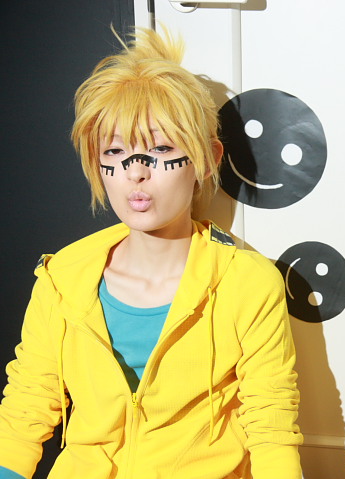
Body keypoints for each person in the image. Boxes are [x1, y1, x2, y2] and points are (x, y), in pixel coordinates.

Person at [0, 27, 302, 478]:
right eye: (115, 150)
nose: (135, 172)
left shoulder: (248, 283)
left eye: (160, 148)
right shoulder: (62, 278)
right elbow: (26, 410)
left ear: (206, 159)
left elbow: (271, 425)